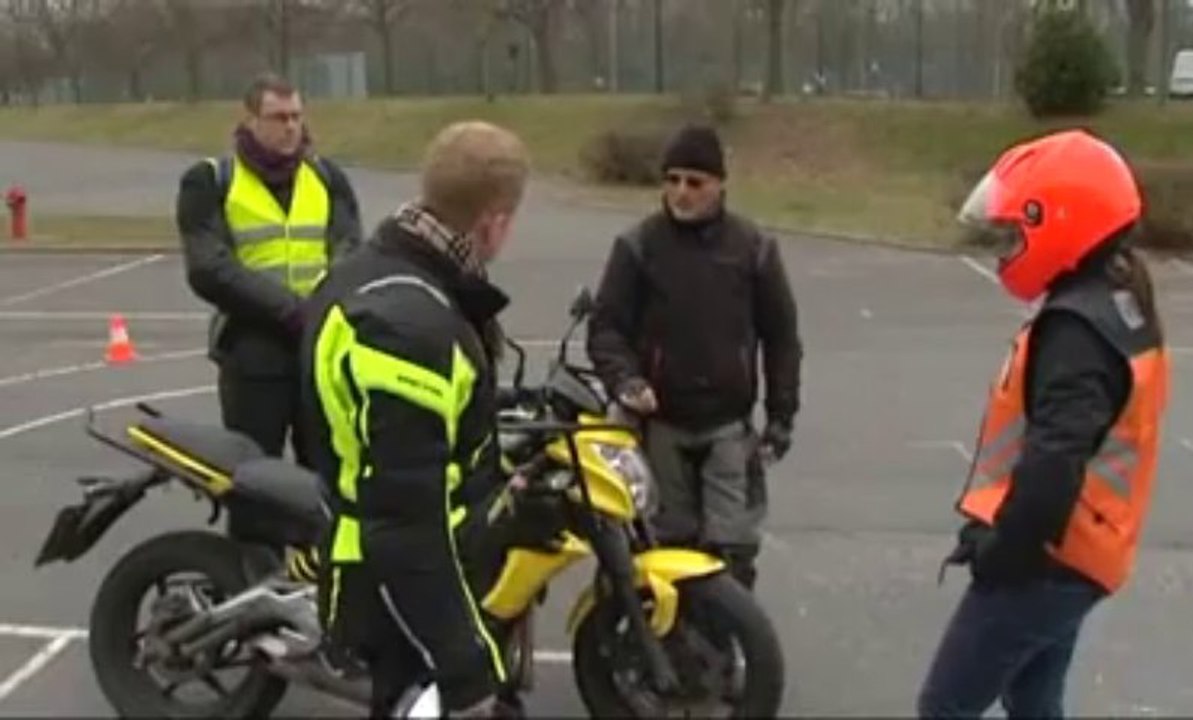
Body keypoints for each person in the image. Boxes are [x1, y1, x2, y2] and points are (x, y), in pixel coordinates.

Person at [917, 129, 1171, 718]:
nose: (1007, 248)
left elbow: (1054, 462)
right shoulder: (1116, 301)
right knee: (1032, 700)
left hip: (1050, 558)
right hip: (1085, 551)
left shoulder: (1077, 333)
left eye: (1016, 232)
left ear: (1059, 223)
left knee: (945, 706)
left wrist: (1003, 550)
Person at [298, 120, 530, 719]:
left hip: (402, 575)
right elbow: (404, 524)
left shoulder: (375, 267)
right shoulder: (409, 332)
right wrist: (466, 671)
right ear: (494, 222)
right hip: (403, 597)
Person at [586, 122, 802, 590]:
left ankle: (727, 631)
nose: (681, 192)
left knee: (732, 553)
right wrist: (626, 381)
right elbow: (606, 329)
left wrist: (781, 417)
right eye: (672, 180)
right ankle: (666, 634)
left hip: (728, 427)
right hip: (661, 425)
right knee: (664, 549)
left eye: (695, 182)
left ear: (719, 184)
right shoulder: (638, 246)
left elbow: (782, 337)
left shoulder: (754, 249)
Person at [178, 71, 362, 478]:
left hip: (319, 350)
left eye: (296, 116)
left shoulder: (327, 178)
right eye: (279, 117)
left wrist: (323, 307)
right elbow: (209, 267)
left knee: (329, 476)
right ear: (250, 120)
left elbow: (350, 250)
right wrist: (292, 311)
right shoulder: (211, 181)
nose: (291, 127)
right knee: (254, 480)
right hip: (253, 350)